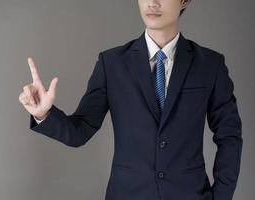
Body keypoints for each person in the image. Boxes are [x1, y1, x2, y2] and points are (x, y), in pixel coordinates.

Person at [19, 0, 243, 199]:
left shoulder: (210, 65)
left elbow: (229, 135)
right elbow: (80, 130)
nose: (152, 2)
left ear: (185, 1)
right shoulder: (112, 63)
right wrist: (43, 114)